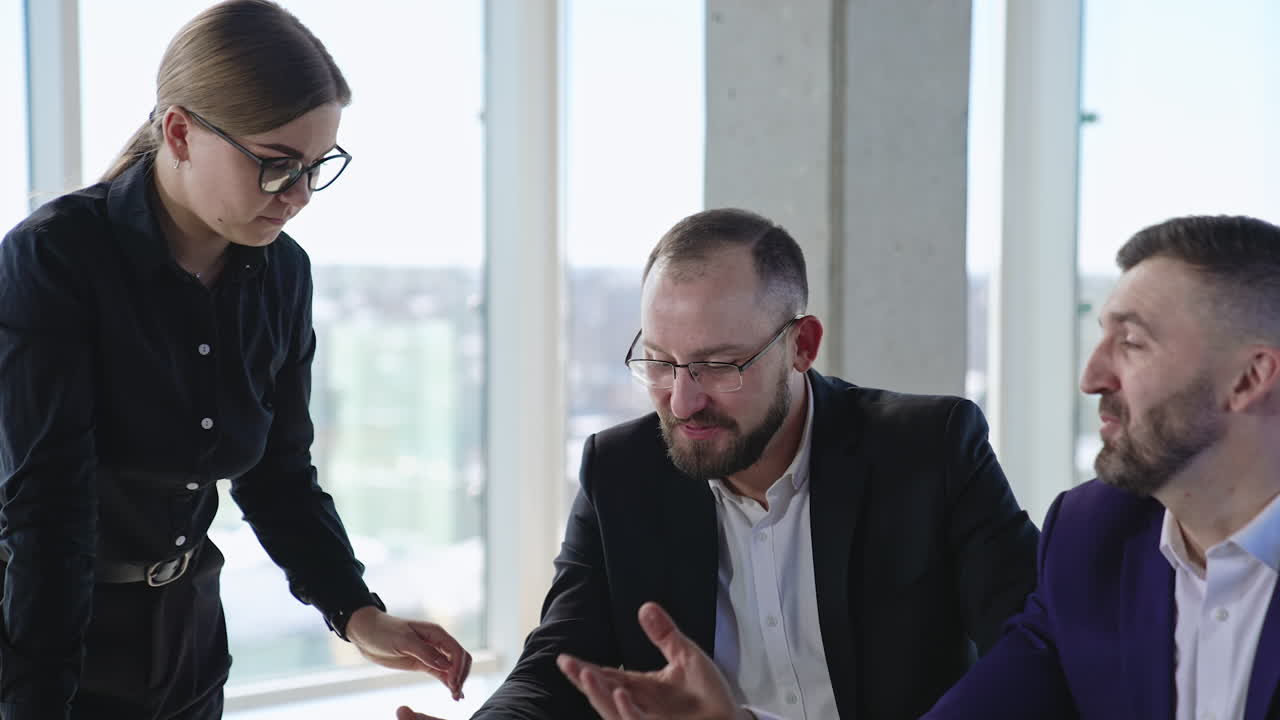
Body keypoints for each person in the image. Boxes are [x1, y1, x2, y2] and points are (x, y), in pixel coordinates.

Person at [558, 214, 1280, 720]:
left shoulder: (933, 451)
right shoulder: (1097, 535)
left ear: (1250, 378)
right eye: (660, 363)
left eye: (1134, 343)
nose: (1090, 375)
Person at [0, 2, 471, 718]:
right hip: (48, 640)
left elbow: (278, 473)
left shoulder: (283, 274)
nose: (302, 196)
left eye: (318, 167)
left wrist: (357, 613)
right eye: (277, 166)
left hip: (188, 641)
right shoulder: (56, 258)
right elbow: (47, 513)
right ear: (181, 132)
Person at [400, 207, 1038, 720]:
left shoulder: (929, 451)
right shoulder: (620, 472)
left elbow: (1035, 654)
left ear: (801, 346)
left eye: (718, 365)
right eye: (659, 361)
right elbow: (557, 665)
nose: (682, 400)